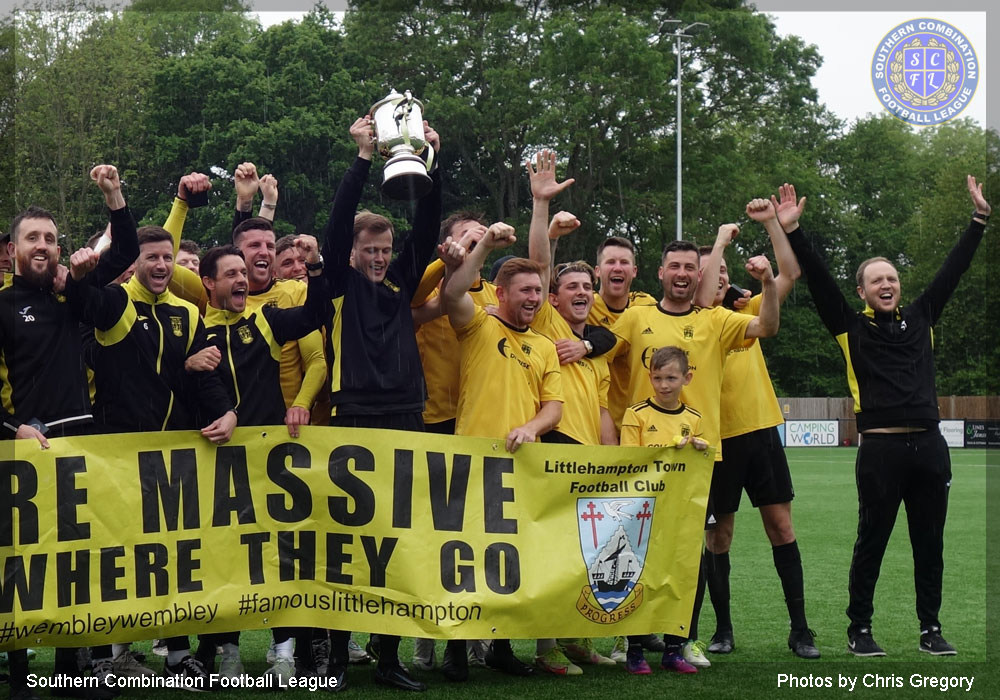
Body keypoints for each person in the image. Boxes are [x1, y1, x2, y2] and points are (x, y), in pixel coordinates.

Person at [784, 177, 990, 657]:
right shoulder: (849, 326)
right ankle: (860, 630)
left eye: (893, 278)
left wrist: (978, 219)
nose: (887, 284)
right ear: (861, 290)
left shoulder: (922, 317)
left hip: (930, 450)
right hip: (880, 450)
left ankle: (931, 629)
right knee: (871, 542)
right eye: (877, 279)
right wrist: (793, 231)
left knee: (929, 545)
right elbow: (816, 277)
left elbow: (953, 271)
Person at [65, 206, 237, 687]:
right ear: (134, 263)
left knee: (174, 559)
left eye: (167, 257)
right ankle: (103, 655)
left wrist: (228, 412)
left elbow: (210, 378)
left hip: (176, 456)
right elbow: (83, 303)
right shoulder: (116, 303)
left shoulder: (188, 312)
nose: (162, 265)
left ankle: (177, 654)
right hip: (118, 455)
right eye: (151, 257)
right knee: (115, 557)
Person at [313, 114, 442, 692]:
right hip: (354, 415)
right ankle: (339, 656)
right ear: (353, 253)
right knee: (349, 541)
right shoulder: (337, 285)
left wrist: (430, 163)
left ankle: (387, 657)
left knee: (400, 540)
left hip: (406, 417)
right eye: (371, 248)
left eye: (386, 248)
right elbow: (338, 225)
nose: (380, 256)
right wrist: (363, 158)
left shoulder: (401, 281)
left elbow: (428, 223)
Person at [609, 237, 780, 670]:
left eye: (690, 267)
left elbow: (766, 328)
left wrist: (768, 283)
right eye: (675, 266)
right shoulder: (635, 317)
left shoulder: (716, 319)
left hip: (700, 457)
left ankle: (683, 638)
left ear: (697, 275)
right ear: (661, 273)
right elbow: (600, 354)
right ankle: (628, 639)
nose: (682, 273)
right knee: (636, 551)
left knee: (689, 554)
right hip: (643, 461)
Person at [1, 166, 139, 700]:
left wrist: (113, 196)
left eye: (51, 239)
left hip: (80, 443)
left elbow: (124, 256)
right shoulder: (3, 306)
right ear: (13, 248)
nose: (43, 246)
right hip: (20, 448)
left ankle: (69, 675)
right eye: (32, 238)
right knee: (21, 567)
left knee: (73, 565)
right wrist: (12, 431)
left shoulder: (76, 297)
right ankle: (19, 680)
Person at [191, 240, 328, 681]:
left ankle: (284, 652)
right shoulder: (195, 328)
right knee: (227, 559)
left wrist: (317, 268)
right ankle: (228, 651)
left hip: (271, 458)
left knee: (280, 555)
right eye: (230, 274)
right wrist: (188, 364)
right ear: (208, 283)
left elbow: (315, 314)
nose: (241, 280)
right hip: (219, 459)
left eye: (242, 273)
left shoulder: (266, 319)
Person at [693, 197, 819, 659]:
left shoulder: (746, 310)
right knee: (718, 536)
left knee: (781, 527)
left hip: (762, 431)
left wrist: (770, 225)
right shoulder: (695, 319)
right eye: (712, 270)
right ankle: (723, 629)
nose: (720, 275)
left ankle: (801, 629)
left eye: (723, 270)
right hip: (716, 439)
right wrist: (721, 243)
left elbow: (790, 275)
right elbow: (703, 297)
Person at [441, 222, 562, 678]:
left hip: (518, 467)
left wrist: (532, 427)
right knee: (459, 558)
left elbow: (554, 407)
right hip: (467, 461)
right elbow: (453, 292)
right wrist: (486, 244)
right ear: (500, 293)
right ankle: (454, 648)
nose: (534, 297)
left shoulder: (544, 346)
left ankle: (500, 646)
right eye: (526, 290)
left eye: (539, 290)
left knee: (507, 559)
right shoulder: (478, 322)